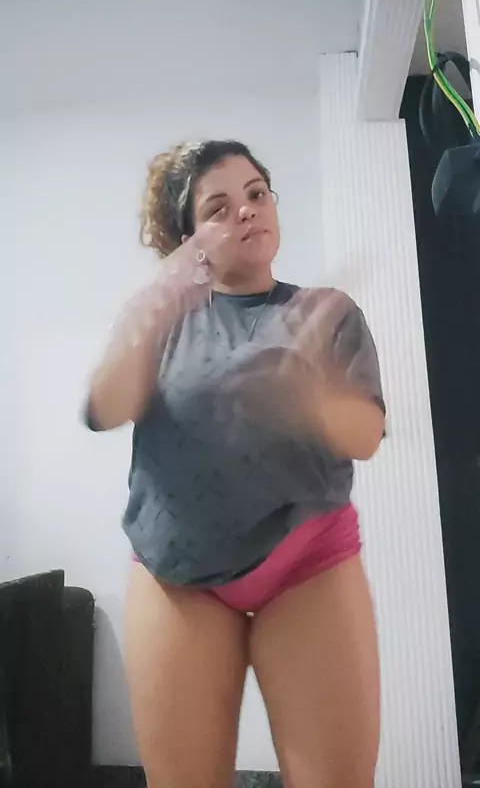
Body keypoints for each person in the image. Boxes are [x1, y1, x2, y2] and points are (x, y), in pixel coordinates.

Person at [85, 140, 386, 788]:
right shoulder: (164, 319)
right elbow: (104, 409)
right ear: (188, 240)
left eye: (256, 193)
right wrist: (155, 305)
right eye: (218, 208)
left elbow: (366, 435)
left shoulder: (327, 311)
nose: (247, 210)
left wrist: (307, 397)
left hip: (307, 563)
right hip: (176, 573)